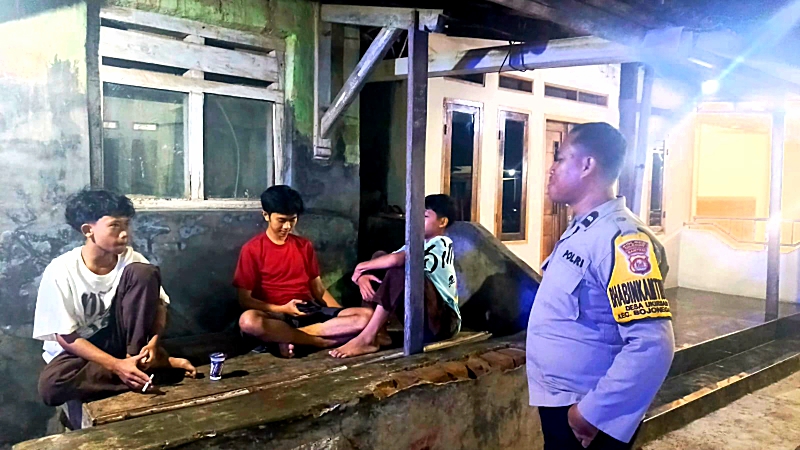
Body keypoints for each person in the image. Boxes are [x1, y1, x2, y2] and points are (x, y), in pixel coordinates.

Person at [526, 123, 675, 450]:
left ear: (587, 165)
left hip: (587, 415)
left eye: (560, 158)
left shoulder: (622, 239)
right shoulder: (584, 230)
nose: (551, 168)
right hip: (563, 403)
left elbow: (652, 344)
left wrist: (592, 413)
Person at [34, 189, 196, 407]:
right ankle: (147, 369)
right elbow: (66, 337)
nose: (125, 233)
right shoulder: (61, 271)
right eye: (115, 226)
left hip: (125, 343)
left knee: (143, 272)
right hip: (80, 351)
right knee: (52, 386)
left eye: (126, 224)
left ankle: (136, 362)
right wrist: (116, 365)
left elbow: (159, 306)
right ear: (88, 230)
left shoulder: (132, 258)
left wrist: (153, 343)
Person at [235, 185, 373, 358]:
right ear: (266, 215)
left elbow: (318, 290)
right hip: (274, 316)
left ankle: (286, 338)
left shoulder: (304, 246)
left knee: (367, 316)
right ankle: (318, 342)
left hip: (306, 312)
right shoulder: (252, 249)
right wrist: (283, 308)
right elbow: (245, 300)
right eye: (281, 220)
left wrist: (339, 316)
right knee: (248, 321)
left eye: (292, 220)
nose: (287, 226)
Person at [330, 194, 460, 358]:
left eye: (425, 216)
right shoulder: (417, 243)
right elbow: (385, 261)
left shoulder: (441, 243)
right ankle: (379, 332)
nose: (417, 221)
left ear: (442, 222)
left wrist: (361, 267)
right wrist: (363, 276)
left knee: (401, 268)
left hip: (443, 322)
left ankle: (367, 337)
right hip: (423, 316)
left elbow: (398, 260)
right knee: (379, 256)